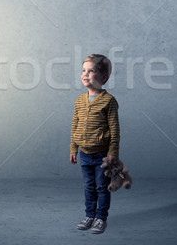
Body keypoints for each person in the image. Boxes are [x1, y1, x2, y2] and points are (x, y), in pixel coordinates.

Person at [70, 54, 120, 234]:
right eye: (83, 70)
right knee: (88, 186)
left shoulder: (109, 101)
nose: (85, 74)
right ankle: (89, 215)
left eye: (91, 71)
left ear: (103, 76)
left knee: (101, 187)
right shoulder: (79, 101)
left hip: (102, 154)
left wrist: (113, 152)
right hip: (84, 153)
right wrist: (73, 148)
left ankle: (100, 217)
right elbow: (74, 124)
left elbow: (114, 129)